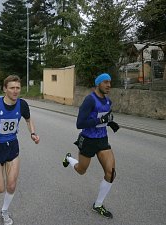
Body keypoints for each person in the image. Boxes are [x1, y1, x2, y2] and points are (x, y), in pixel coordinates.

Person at [0, 75, 40, 225]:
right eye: (12, 88)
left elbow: (28, 120)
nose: (15, 91)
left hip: (12, 146)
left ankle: (4, 210)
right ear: (5, 89)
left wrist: (33, 133)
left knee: (11, 185)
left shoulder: (22, 105)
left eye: (18, 88)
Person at [63, 73, 120, 219]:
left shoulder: (108, 101)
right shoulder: (89, 100)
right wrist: (100, 119)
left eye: (110, 82)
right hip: (88, 139)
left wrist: (110, 122)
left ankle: (98, 204)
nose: (109, 85)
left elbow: (105, 116)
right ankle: (68, 159)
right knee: (81, 170)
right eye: (106, 82)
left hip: (102, 140)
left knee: (111, 173)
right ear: (98, 84)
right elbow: (79, 123)